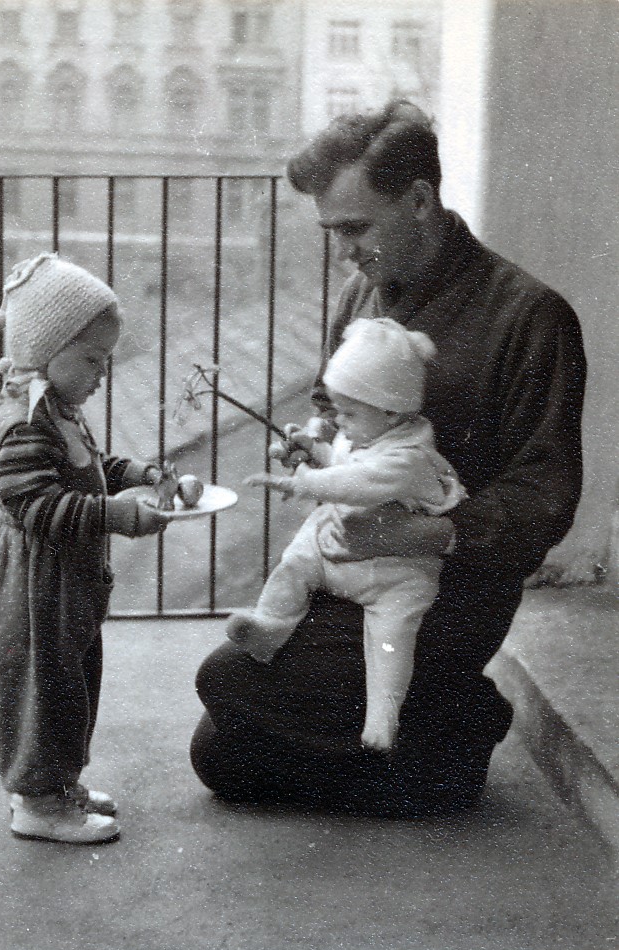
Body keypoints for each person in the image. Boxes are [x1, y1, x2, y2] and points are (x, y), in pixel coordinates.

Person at [190, 100, 586, 815]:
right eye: (333, 232)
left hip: (447, 592)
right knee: (217, 752)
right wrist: (314, 437)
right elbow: (329, 401)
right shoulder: (362, 292)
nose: (344, 251)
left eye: (356, 228)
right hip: (351, 575)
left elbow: (545, 495)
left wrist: (424, 531)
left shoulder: (530, 316)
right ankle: (439, 729)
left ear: (420, 201)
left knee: (227, 682)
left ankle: (459, 712)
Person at [0, 252, 170, 844]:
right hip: (33, 588)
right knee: (42, 690)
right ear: (43, 351)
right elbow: (37, 505)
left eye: (105, 360)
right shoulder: (22, 423)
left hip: (62, 585)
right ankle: (38, 802)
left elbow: (89, 469)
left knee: (71, 685)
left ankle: (58, 784)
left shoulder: (57, 410)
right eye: (91, 359)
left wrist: (141, 474)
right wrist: (119, 516)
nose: (101, 374)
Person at [227, 317, 466, 751]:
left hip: (398, 575)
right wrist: (313, 450)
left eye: (349, 413)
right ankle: (269, 627)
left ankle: (382, 720)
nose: (340, 420)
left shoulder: (409, 458)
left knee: (391, 638)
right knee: (295, 561)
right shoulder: (367, 434)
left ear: (391, 411)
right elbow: (341, 462)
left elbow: (357, 482)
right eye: (338, 410)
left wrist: (304, 482)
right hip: (340, 552)